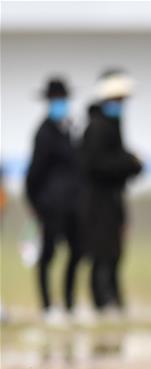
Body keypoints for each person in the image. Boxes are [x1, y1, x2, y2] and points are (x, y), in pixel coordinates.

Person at [80, 69, 143, 316]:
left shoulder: (113, 125)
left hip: (113, 201)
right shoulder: (96, 127)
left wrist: (130, 163)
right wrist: (130, 163)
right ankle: (102, 302)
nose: (121, 106)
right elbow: (96, 165)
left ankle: (115, 300)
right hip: (97, 203)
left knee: (115, 253)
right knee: (102, 253)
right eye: (117, 101)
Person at [25, 77, 84, 324]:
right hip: (50, 206)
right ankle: (48, 307)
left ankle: (70, 304)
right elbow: (34, 173)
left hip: (72, 205)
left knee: (77, 251)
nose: (60, 104)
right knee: (47, 255)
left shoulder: (68, 129)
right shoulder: (43, 133)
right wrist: (36, 205)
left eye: (62, 99)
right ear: (48, 102)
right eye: (55, 100)